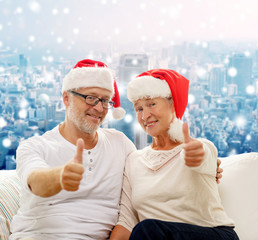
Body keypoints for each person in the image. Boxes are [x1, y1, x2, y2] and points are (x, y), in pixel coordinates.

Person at [10, 59, 137, 240]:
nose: (99, 108)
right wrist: (60, 177)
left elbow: (128, 213)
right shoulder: (34, 146)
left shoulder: (121, 145)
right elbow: (35, 181)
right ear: (66, 98)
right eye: (91, 98)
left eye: (105, 100)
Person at [110, 69, 239, 240]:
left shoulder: (198, 147)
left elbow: (204, 156)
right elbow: (126, 222)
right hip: (154, 236)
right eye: (139, 108)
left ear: (173, 104)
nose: (145, 115)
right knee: (146, 230)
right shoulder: (134, 161)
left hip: (213, 235)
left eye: (152, 104)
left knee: (147, 229)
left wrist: (197, 155)